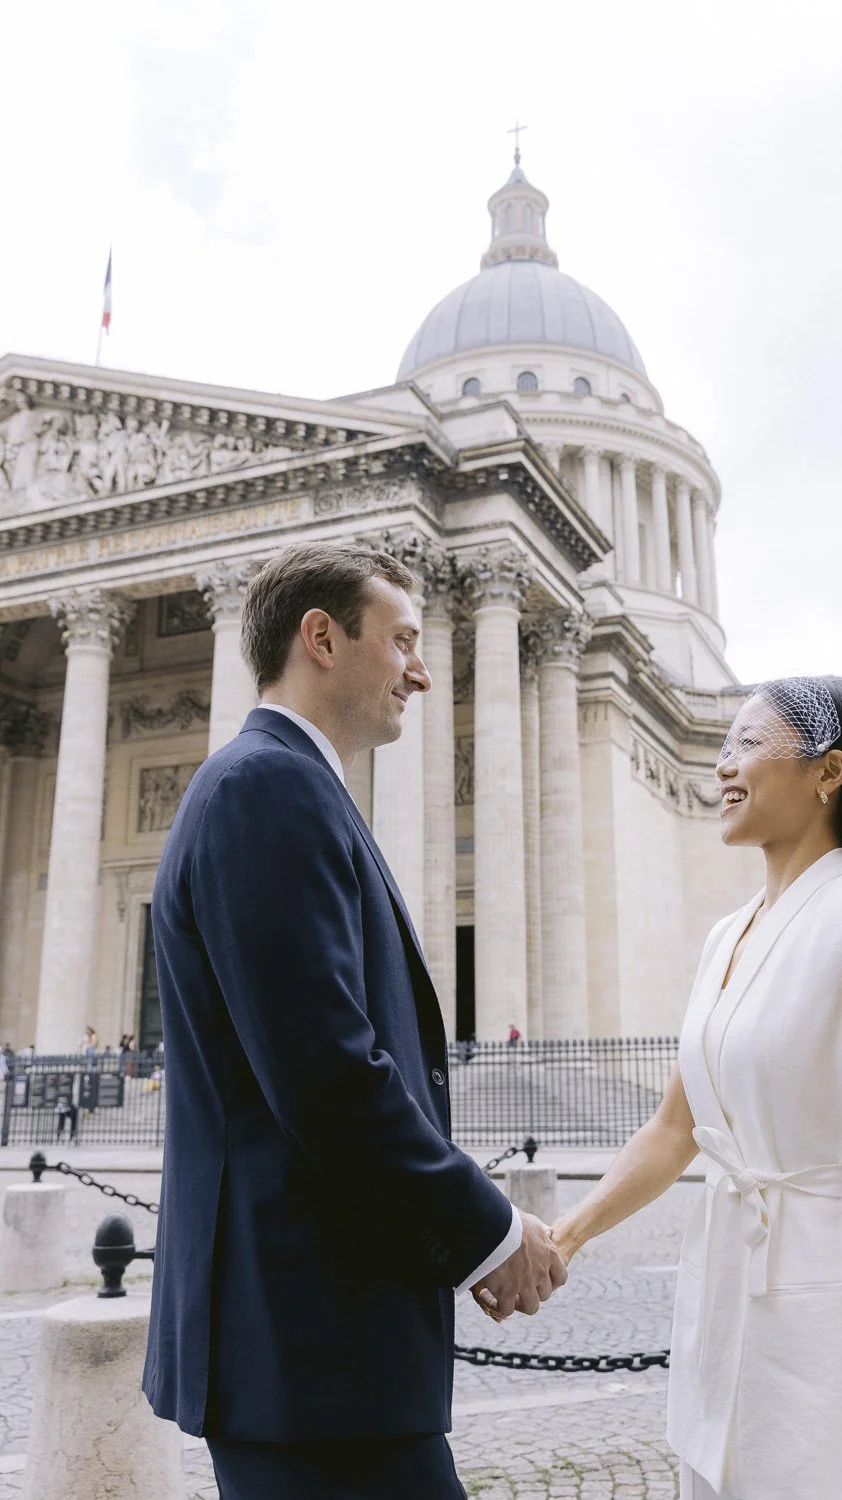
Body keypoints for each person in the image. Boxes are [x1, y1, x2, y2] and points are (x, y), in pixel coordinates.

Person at [142, 544, 566, 1500]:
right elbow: (330, 1076)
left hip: (316, 1348)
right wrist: (490, 1232)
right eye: (403, 641)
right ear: (322, 639)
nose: (422, 670)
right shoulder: (268, 788)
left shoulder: (285, 785)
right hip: (308, 1342)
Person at [550, 677, 842, 1500]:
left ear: (828, 772)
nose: (723, 764)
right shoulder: (726, 933)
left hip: (833, 1298)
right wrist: (565, 1236)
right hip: (726, 1282)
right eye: (721, 745)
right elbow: (674, 1128)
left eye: (748, 744)